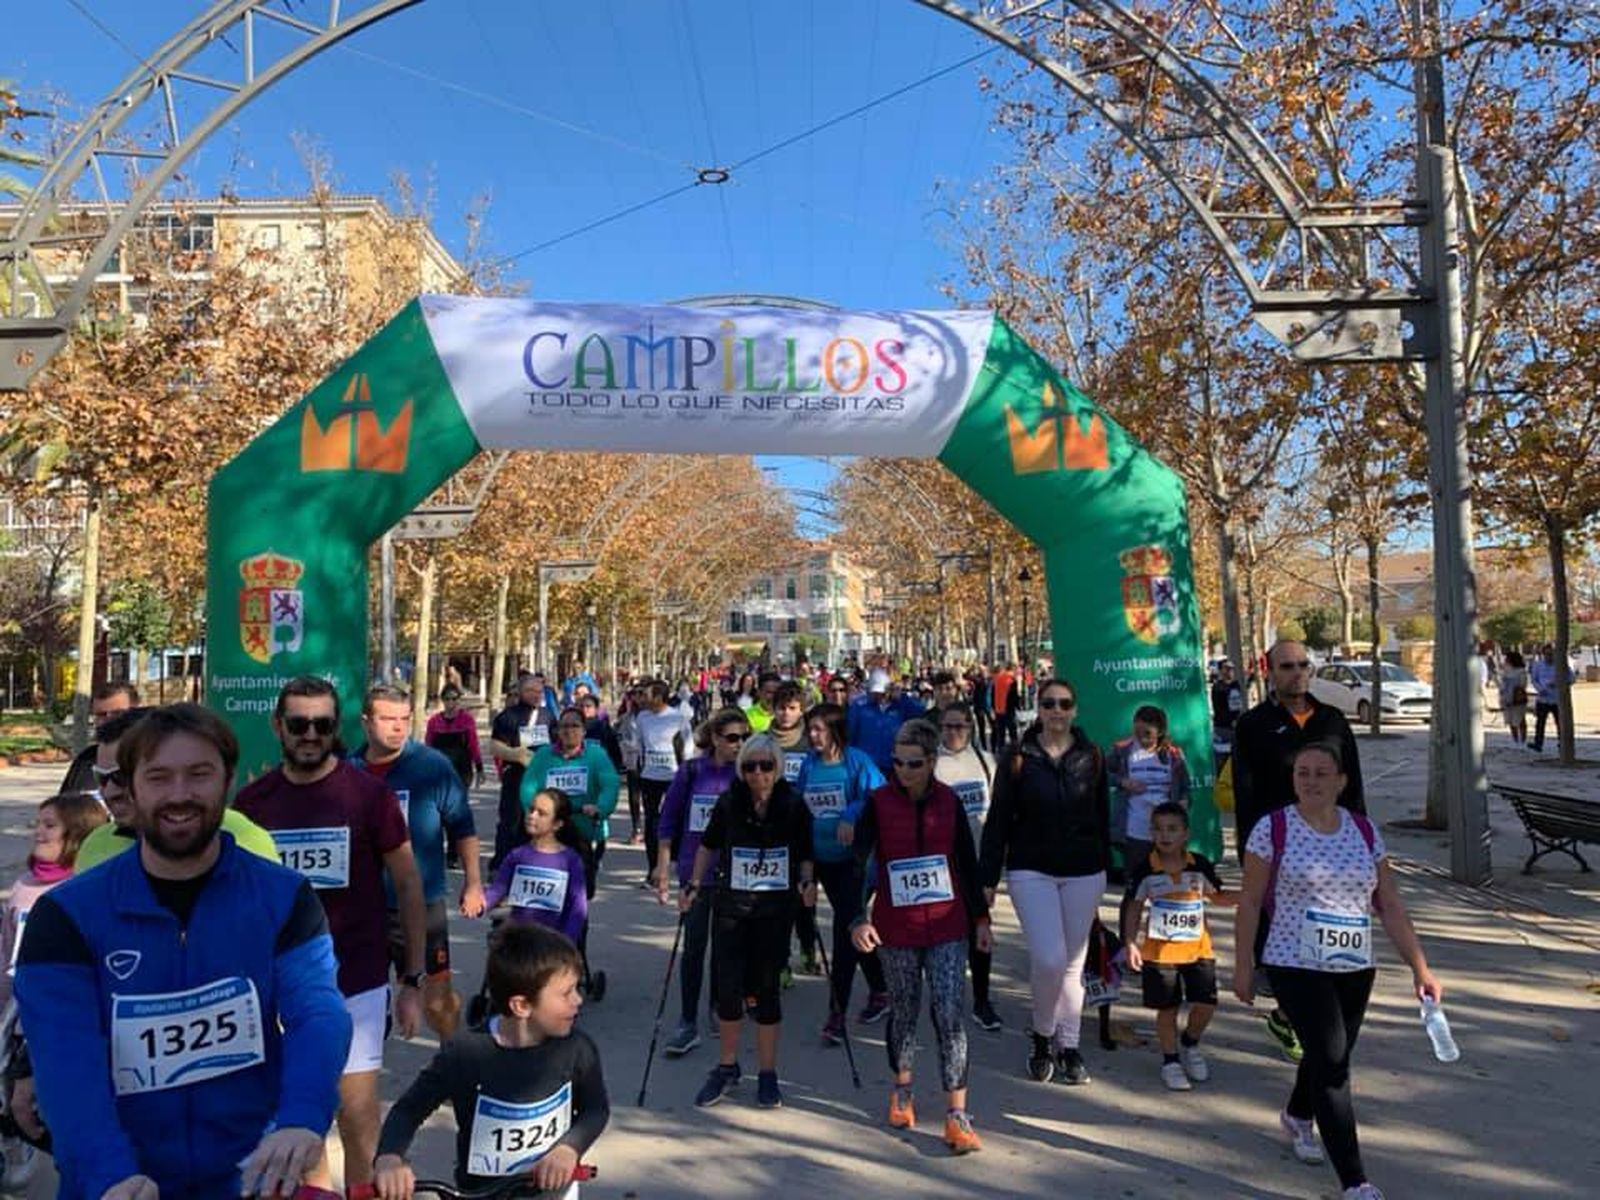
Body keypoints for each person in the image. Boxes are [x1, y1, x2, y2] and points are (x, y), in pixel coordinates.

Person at [16, 704, 350, 1199]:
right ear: (131, 789)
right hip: (120, 1183)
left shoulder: (284, 896)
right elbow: (66, 1059)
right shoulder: (66, 915)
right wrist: (110, 1173)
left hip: (248, 1178)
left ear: (228, 782)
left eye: (199, 775)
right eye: (159, 777)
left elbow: (318, 1011)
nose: (179, 795)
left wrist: (302, 1118)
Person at [235, 676, 427, 1197]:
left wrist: (414, 976)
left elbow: (409, 885)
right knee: (301, 1126)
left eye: (322, 724)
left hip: (356, 979)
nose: (311, 734)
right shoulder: (253, 802)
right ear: (278, 726)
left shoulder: (369, 795)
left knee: (358, 1115)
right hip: (279, 987)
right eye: (299, 724)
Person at [1234, 741, 1443, 1200]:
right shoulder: (1273, 829)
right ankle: (1355, 1181)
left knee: (1330, 1053)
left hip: (1353, 965)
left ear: (1341, 781)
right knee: (1332, 1063)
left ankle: (1296, 1114)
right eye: (1302, 773)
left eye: (1321, 773)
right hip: (1292, 961)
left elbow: (1388, 903)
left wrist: (1419, 969)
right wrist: (1243, 965)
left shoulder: (1365, 832)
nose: (1310, 781)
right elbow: (1249, 900)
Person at [374, 924, 608, 1198]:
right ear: (521, 1005)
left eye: (577, 989)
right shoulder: (465, 1054)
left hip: (554, 1193)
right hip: (481, 1193)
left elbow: (595, 1109)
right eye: (566, 993)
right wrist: (389, 1157)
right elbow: (408, 1110)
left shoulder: (577, 1050)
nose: (578, 1000)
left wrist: (569, 1148)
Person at [849, 719, 989, 1155]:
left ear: (931, 763)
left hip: (948, 925)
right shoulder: (878, 802)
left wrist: (981, 920)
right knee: (905, 1009)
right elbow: (859, 863)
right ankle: (903, 1089)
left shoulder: (948, 803)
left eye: (912, 764)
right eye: (896, 762)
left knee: (948, 1013)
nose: (902, 771)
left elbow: (966, 863)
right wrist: (858, 918)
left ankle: (956, 1114)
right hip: (897, 926)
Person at [1231, 639, 1365, 1063]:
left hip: (1333, 850)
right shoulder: (1252, 725)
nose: (1297, 672)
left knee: (1327, 943)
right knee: (1285, 947)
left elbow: (1354, 784)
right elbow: (1245, 796)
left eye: (1303, 665)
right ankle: (1293, 1018)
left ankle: (1301, 1022)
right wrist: (1252, 856)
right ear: (1269, 670)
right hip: (1280, 852)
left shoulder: (1332, 721)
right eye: (1287, 666)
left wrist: (1363, 841)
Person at [978, 677, 1108, 1086]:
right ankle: (1042, 1033)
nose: (1056, 711)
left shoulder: (1092, 754)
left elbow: (1102, 815)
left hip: (1084, 870)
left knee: (1072, 964)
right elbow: (998, 819)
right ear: (1038, 708)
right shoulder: (1018, 756)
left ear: (1075, 709)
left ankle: (1067, 1045)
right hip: (1030, 867)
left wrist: (1106, 867)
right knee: (1049, 959)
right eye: (1049, 703)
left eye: (1064, 704)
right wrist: (988, 878)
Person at [680, 733, 815, 1110]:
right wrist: (692, 884)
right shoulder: (729, 802)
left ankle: (768, 1073)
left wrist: (807, 882)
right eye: (751, 766)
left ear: (778, 768)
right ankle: (726, 1066)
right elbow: (708, 845)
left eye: (766, 766)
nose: (758, 773)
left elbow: (805, 852)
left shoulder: (793, 804)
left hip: (774, 909)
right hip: (731, 907)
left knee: (767, 990)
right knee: (728, 989)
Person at [351, 685, 486, 1039]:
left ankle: (452, 1065)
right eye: (387, 719)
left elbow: (463, 826)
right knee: (363, 1003)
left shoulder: (431, 766)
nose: (398, 727)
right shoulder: (348, 772)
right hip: (363, 911)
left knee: (436, 999)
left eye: (404, 719)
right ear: (365, 722)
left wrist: (473, 883)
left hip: (422, 905)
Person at [75, 708, 281, 871]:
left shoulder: (246, 840)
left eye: (120, 777)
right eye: (101, 778)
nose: (110, 792)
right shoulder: (95, 844)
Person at [1120, 802, 1234, 1091]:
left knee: (1206, 1003)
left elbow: (1218, 896)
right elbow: (1134, 907)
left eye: (1172, 829)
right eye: (1157, 829)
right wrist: (1130, 942)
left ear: (1186, 833)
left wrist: (1252, 896)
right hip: (1159, 954)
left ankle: (1190, 1043)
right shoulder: (1145, 870)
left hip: (1198, 950)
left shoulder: (1199, 865)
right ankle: (1170, 1061)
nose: (1164, 835)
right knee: (1167, 1008)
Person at [655, 708, 749, 1057]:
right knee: (694, 946)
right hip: (695, 874)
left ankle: (718, 1006)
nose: (738, 745)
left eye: (744, 738)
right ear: (714, 738)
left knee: (726, 948)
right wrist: (663, 868)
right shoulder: (693, 771)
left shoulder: (748, 774)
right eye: (731, 738)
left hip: (735, 875)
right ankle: (687, 1019)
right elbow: (668, 821)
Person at [797, 702, 891, 1040]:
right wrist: (804, 868)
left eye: (819, 729)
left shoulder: (857, 761)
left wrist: (852, 811)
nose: (812, 735)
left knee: (845, 932)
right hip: (817, 858)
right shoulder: (809, 765)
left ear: (836, 730)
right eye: (810, 729)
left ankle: (836, 1016)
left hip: (852, 863)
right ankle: (881, 988)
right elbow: (800, 807)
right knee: (854, 928)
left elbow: (880, 796)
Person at [932, 700, 1001, 1030]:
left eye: (960, 726)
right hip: (943, 865)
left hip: (978, 863)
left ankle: (982, 1001)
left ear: (971, 729)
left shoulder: (986, 762)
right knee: (946, 935)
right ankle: (946, 997)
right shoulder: (932, 765)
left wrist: (994, 871)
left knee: (981, 930)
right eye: (947, 726)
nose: (953, 732)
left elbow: (999, 819)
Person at [522, 709, 621, 899]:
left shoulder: (596, 755)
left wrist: (600, 808)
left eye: (575, 726)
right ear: (557, 731)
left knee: (582, 892)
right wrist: (534, 812)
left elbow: (610, 784)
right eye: (564, 726)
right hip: (548, 832)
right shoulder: (544, 755)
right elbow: (528, 786)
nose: (569, 731)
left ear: (584, 730)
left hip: (583, 830)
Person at [484, 788, 589, 943]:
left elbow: (577, 908)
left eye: (542, 813)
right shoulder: (517, 855)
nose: (532, 816)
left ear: (557, 824)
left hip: (553, 946)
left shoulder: (570, 860)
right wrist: (476, 902)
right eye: (531, 809)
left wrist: (566, 943)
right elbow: (497, 890)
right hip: (517, 944)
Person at [768, 681, 818, 982]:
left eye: (792, 708)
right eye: (781, 708)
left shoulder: (811, 741)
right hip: (775, 831)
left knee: (805, 897)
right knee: (781, 903)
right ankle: (782, 961)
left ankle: (809, 949)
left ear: (801, 709)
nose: (786, 714)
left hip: (808, 827)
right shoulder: (764, 741)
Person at [1106, 704, 1192, 871]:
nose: (1141, 739)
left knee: (1165, 884)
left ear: (1159, 732)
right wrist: (1123, 782)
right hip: (1134, 832)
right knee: (1136, 885)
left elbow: (1186, 787)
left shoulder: (1174, 755)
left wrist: (1184, 801)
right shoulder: (1122, 751)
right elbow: (1101, 772)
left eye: (1147, 734)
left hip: (1166, 834)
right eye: (1137, 733)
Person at [487, 673, 559, 869]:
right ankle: (501, 865)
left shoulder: (548, 716)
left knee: (539, 821)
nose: (536, 695)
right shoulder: (507, 716)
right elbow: (494, 746)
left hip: (542, 779)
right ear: (520, 692)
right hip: (516, 777)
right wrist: (515, 754)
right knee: (511, 822)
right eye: (531, 691)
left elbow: (556, 744)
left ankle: (533, 863)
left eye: (539, 691)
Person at [635, 681, 693, 889]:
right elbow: (639, 743)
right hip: (650, 777)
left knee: (673, 821)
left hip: (673, 777)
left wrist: (685, 769)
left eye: (647, 695)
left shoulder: (677, 716)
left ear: (659, 697)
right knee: (652, 823)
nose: (643, 699)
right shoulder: (642, 717)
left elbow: (688, 742)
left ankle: (672, 863)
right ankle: (653, 870)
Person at [57, 681, 138, 795]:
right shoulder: (86, 760)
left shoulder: (155, 758)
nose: (109, 720)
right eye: (101, 715)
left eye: (118, 713)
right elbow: (65, 807)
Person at [847, 669, 925, 776]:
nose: (878, 696)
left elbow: (920, 713)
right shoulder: (860, 706)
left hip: (894, 764)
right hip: (866, 766)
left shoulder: (900, 705)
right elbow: (851, 734)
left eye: (881, 692)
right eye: (875, 693)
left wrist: (902, 698)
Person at [425, 685, 484, 793]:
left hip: (462, 770)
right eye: (447, 699)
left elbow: (473, 744)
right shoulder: (434, 722)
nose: (451, 702)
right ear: (442, 700)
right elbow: (428, 747)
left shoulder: (466, 720)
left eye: (454, 698)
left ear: (459, 700)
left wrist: (479, 767)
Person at [1529, 643, 1571, 753]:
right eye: (1547, 654)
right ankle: (1538, 743)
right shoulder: (1538, 665)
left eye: (1551, 654)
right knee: (1540, 722)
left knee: (1560, 722)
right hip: (1543, 698)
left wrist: (1560, 683)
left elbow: (1571, 678)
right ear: (1543, 654)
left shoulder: (1562, 665)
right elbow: (1534, 679)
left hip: (1557, 699)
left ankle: (1562, 743)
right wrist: (1539, 689)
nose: (1549, 656)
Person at [1497, 650, 1530, 746]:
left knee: (1520, 719)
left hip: (1517, 698)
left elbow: (1523, 684)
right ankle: (1515, 740)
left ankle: (1523, 739)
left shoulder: (1521, 671)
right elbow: (1501, 684)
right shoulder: (1505, 671)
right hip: (1506, 698)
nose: (1505, 661)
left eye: (1507, 659)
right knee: (1510, 720)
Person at [989, 663, 1020, 752]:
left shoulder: (998, 679)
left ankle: (1000, 751)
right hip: (1009, 710)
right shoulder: (1012, 680)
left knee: (1001, 734)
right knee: (1012, 733)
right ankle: (1015, 752)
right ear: (1013, 670)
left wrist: (993, 707)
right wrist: (1018, 707)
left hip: (998, 710)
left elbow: (993, 694)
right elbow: (1014, 696)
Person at [1210, 660, 1244, 741]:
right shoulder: (1218, 687)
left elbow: (1238, 705)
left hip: (1236, 725)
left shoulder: (1236, 685)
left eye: (1231, 669)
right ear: (1221, 670)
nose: (1230, 671)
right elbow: (1218, 708)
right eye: (1227, 669)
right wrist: (1230, 721)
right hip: (1223, 727)